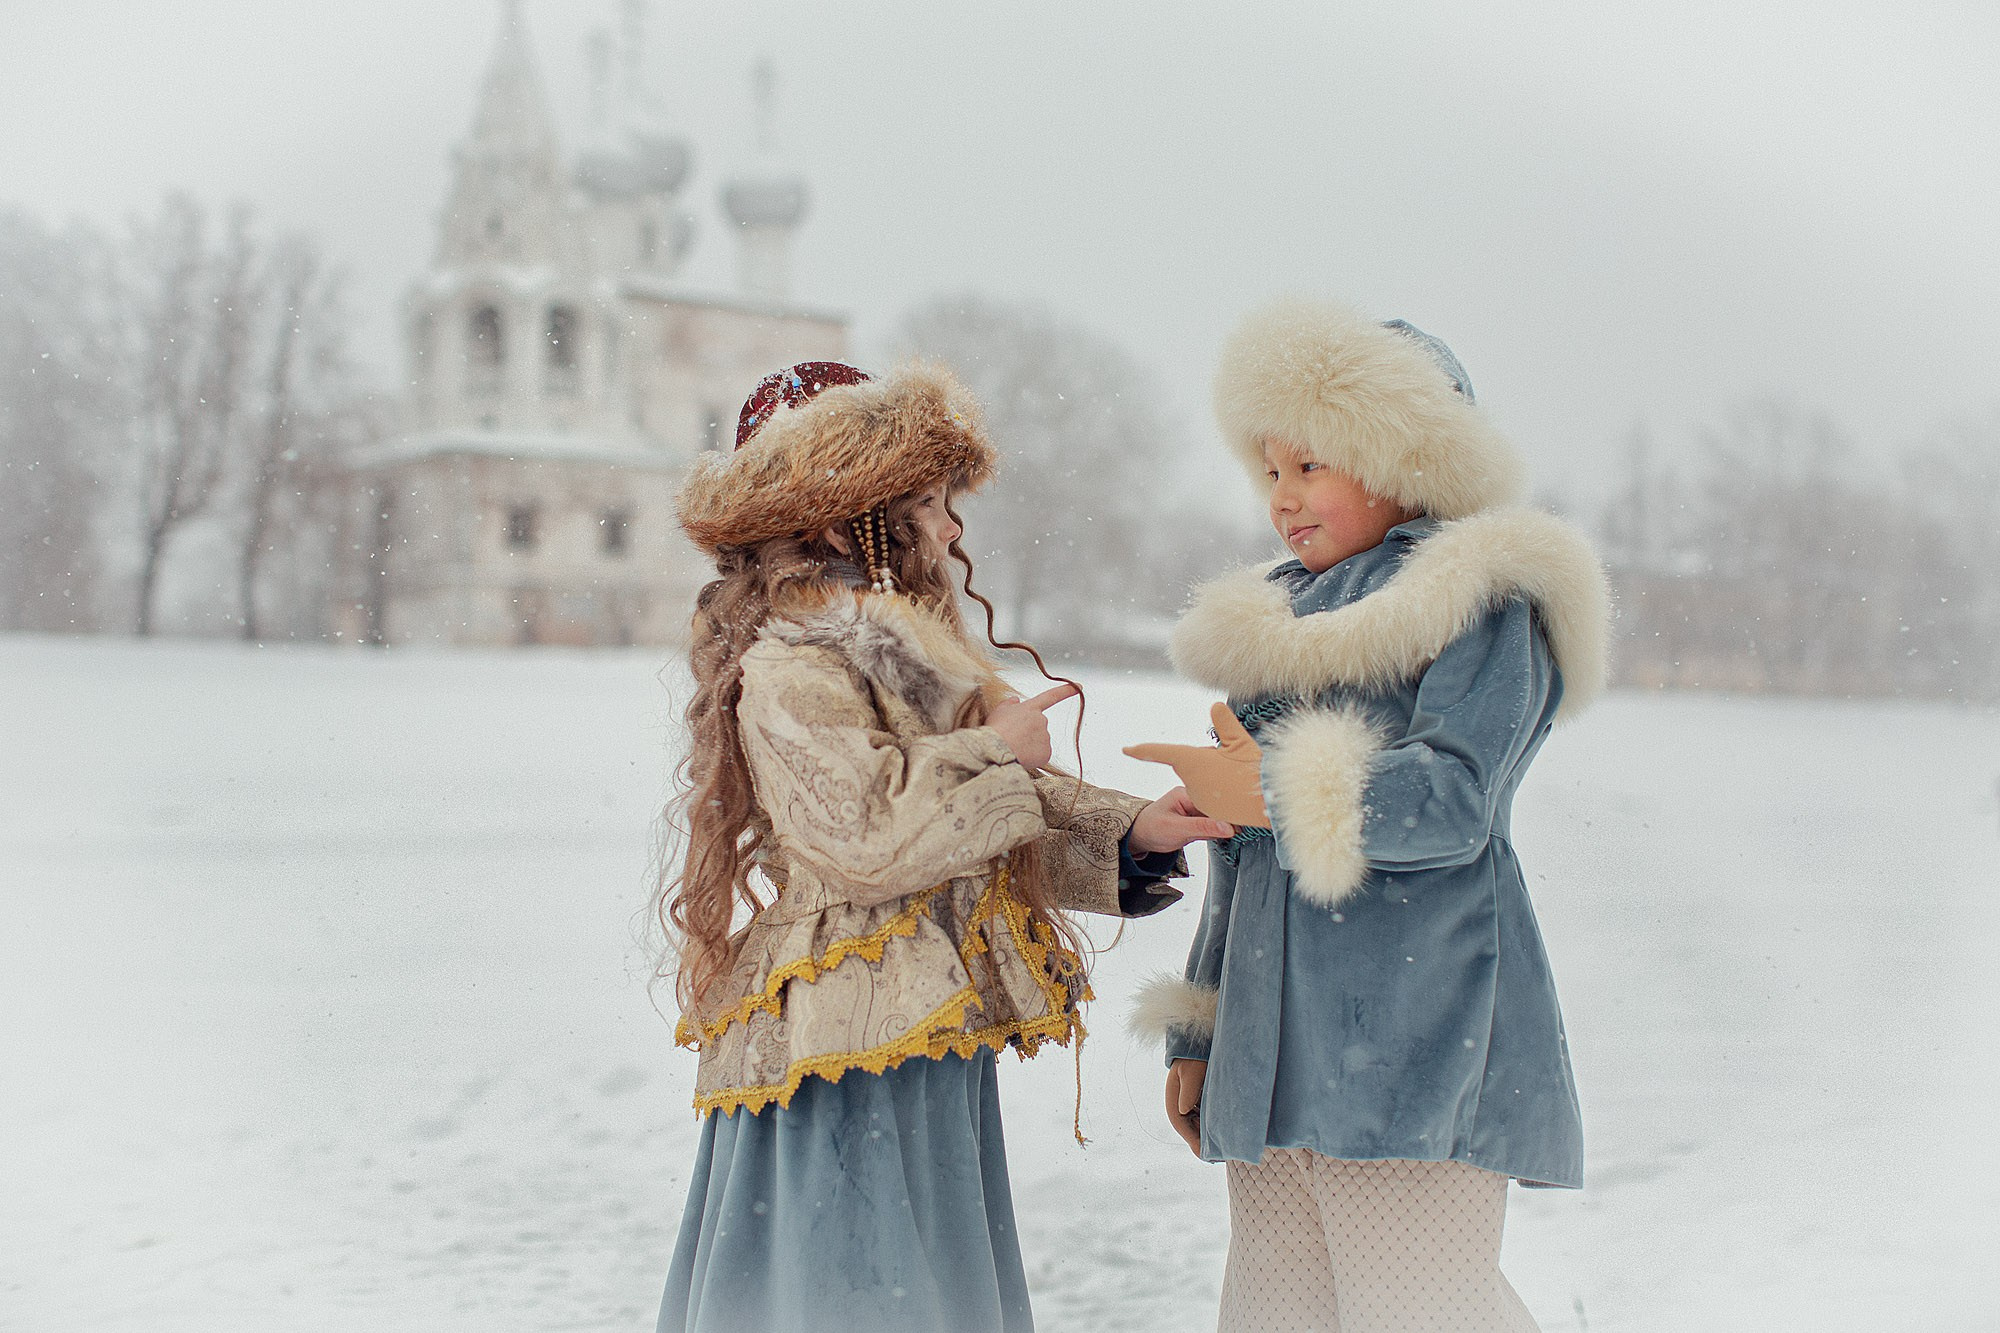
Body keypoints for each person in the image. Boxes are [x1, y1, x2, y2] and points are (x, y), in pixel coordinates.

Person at [654, 360, 1230, 1333]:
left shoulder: (906, 657)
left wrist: (1125, 831)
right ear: (845, 520)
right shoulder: (787, 664)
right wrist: (989, 748)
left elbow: (976, 828)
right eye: (928, 503)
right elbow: (866, 834)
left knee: (916, 1284)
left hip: (915, 1026)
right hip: (841, 1046)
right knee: (853, 1287)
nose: (952, 530)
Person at [1126, 301, 1611, 1331]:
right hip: (1271, 1059)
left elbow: (1451, 803)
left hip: (1411, 1044)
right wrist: (1195, 1038)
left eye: (1312, 466)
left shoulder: (1478, 598)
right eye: (1269, 470)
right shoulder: (1284, 615)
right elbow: (1244, 867)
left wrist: (1264, 791)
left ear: (1403, 456)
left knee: (1417, 1311)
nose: (1281, 499)